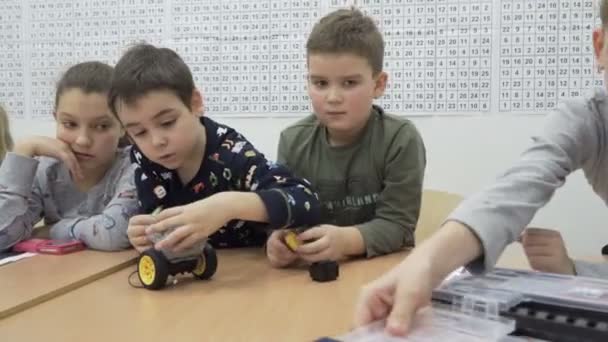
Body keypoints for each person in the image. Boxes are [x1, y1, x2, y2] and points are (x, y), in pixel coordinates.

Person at [353, 0, 608, 335]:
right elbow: (514, 189)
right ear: (599, 47)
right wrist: (427, 262)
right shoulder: (587, 120)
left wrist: (579, 273)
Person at [108, 44, 321, 254]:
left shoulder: (231, 154)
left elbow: (305, 199)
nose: (156, 142)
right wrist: (147, 233)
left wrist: (228, 205)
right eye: (139, 133)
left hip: (252, 274)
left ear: (195, 103)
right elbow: (155, 215)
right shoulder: (144, 159)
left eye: (167, 122)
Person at [268, 8, 426, 268]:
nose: (332, 97)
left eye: (349, 83)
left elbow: (398, 226)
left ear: (379, 85)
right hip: (312, 279)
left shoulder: (400, 139)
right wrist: (277, 240)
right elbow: (287, 214)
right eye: (320, 83)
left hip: (380, 270)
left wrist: (345, 241)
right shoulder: (292, 141)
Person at [0, 61, 138, 252]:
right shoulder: (44, 171)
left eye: (101, 126)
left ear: (124, 125)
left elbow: (113, 234)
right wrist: (23, 149)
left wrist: (53, 230)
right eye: (70, 124)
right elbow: (3, 235)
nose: (82, 140)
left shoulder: (135, 167)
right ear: (56, 118)